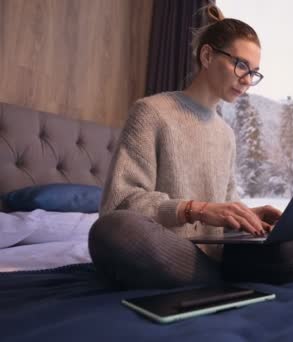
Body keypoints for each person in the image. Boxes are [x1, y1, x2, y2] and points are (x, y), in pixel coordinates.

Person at [88, 4, 282, 289]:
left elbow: (225, 201)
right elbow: (120, 204)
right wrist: (196, 209)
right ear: (207, 56)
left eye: (254, 73)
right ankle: (220, 277)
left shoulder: (225, 134)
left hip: (217, 253)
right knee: (111, 230)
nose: (247, 81)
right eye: (241, 65)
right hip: (171, 248)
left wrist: (249, 215)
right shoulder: (151, 112)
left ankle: (225, 273)